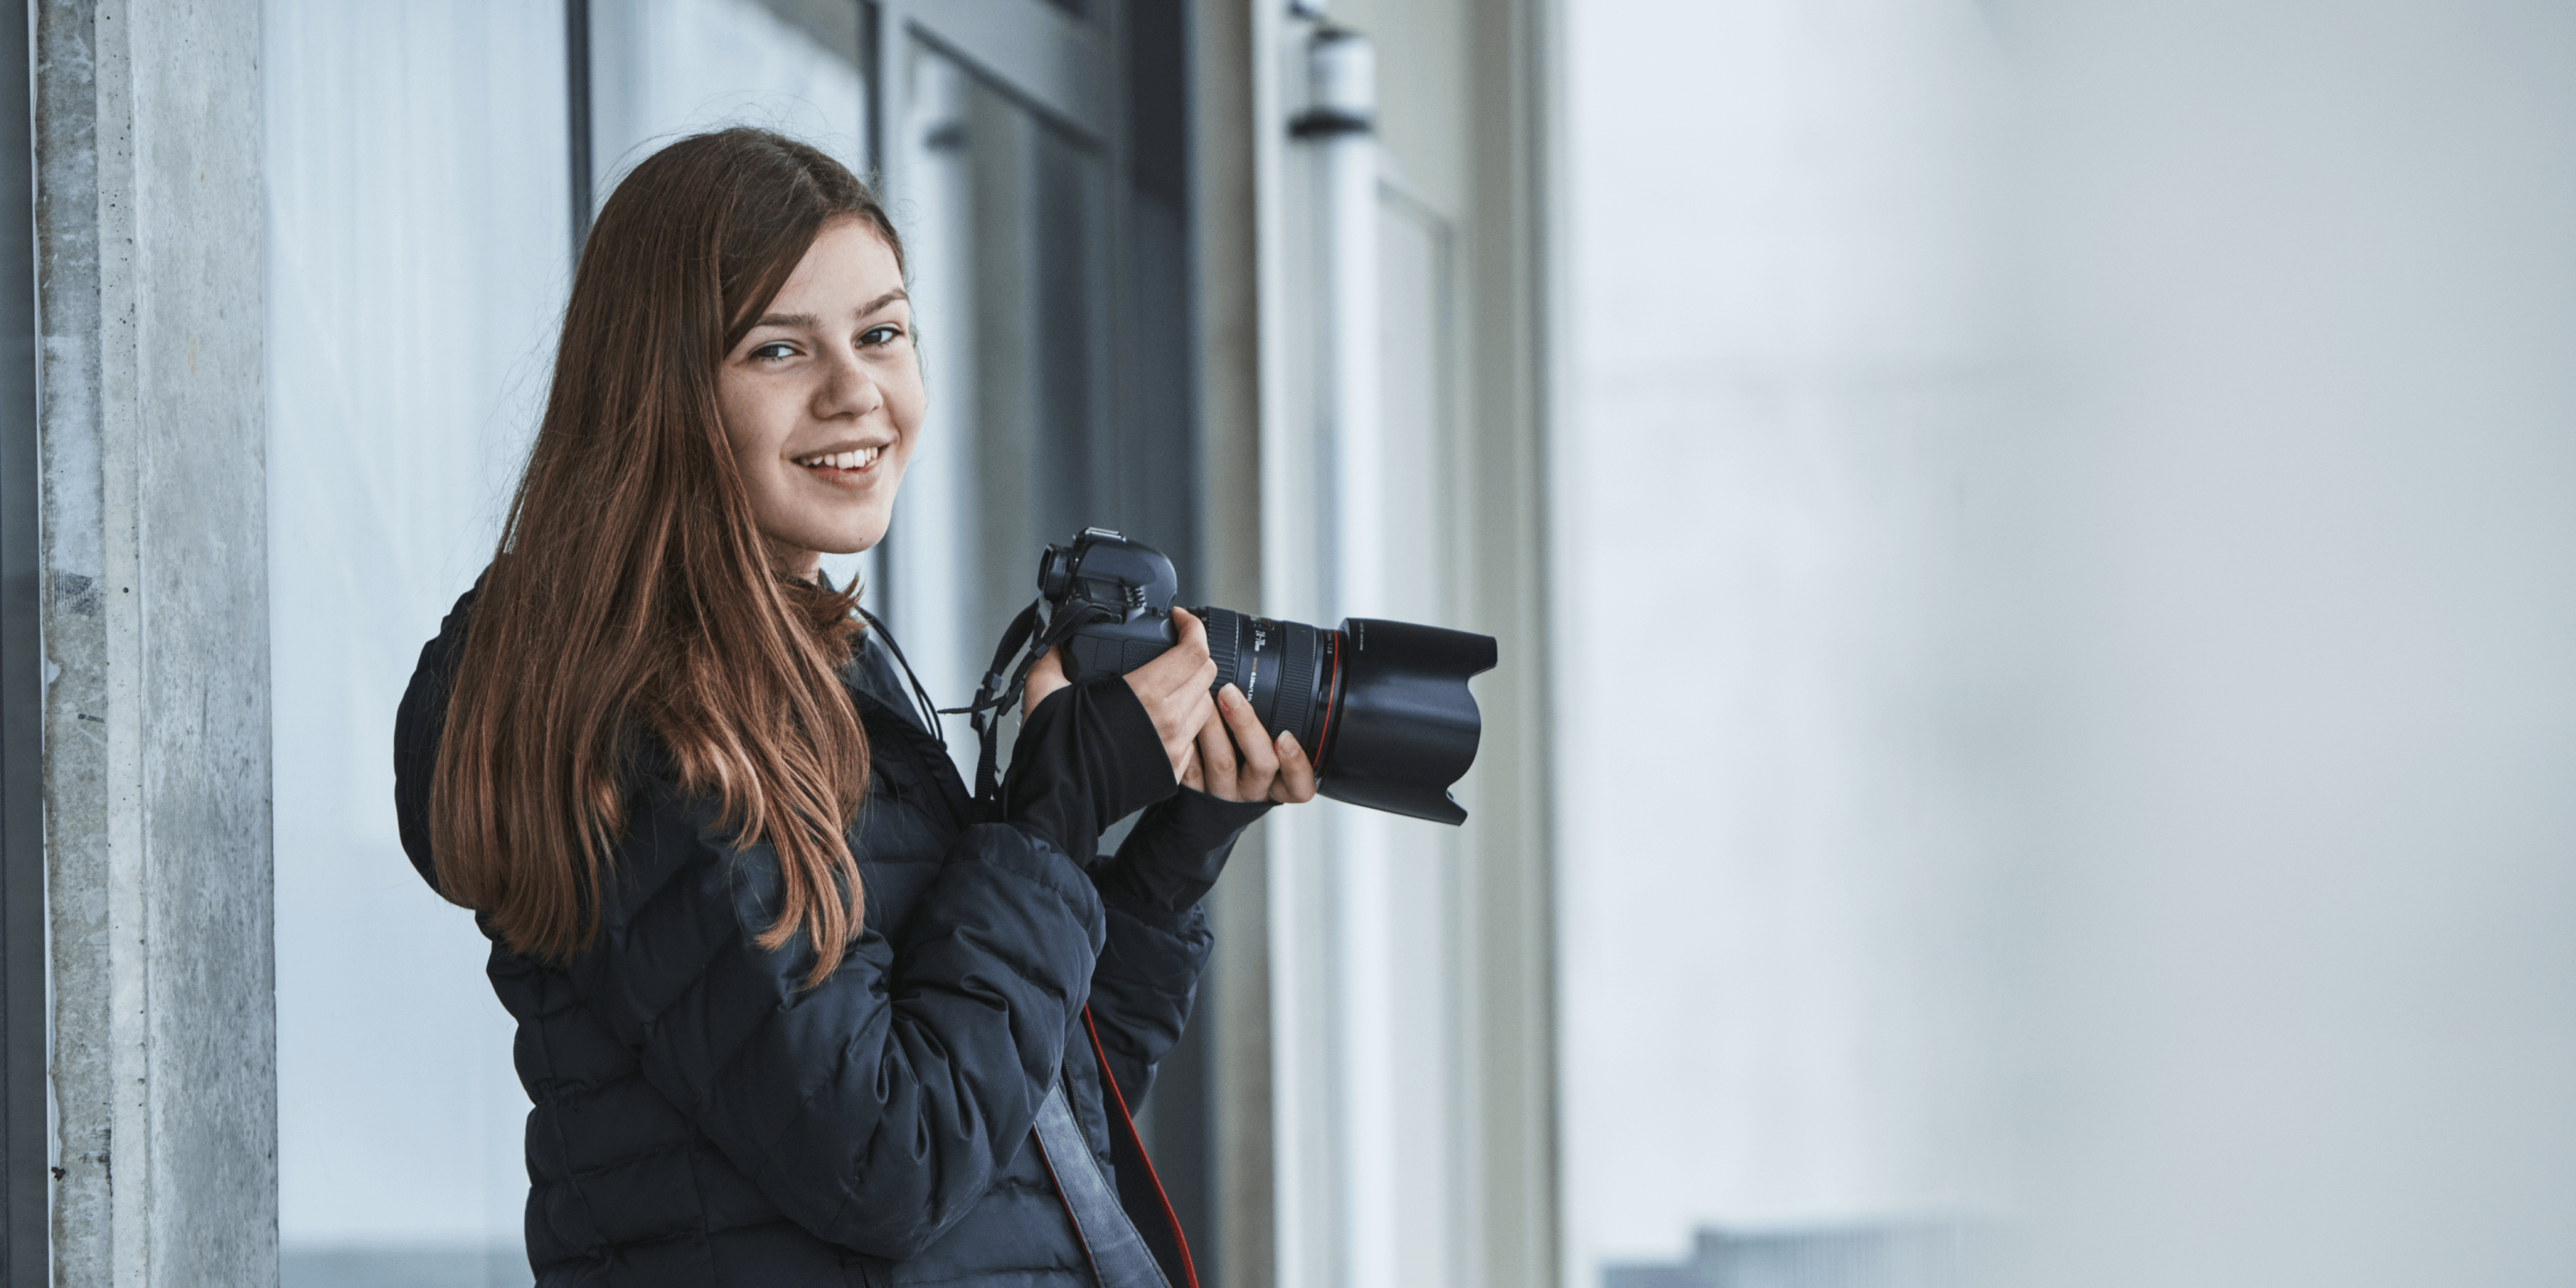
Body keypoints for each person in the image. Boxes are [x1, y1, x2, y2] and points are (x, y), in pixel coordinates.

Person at [391, 128, 1313, 1287]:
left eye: (881, 334)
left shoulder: (820, 676)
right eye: (779, 349)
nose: (855, 393)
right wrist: (1049, 821)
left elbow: (1024, 1139)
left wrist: (1168, 856)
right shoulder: (648, 720)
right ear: (663, 393)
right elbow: (890, 1160)